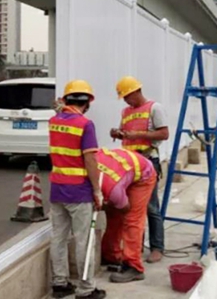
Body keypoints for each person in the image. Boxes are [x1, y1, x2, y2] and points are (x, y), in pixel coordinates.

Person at [49, 80, 106, 299]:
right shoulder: (85, 124)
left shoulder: (54, 121)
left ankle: (59, 284)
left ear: (66, 99)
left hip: (57, 189)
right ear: (88, 102)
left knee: (58, 237)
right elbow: (90, 159)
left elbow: (61, 116)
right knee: (84, 240)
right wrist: (97, 190)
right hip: (79, 191)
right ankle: (86, 289)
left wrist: (60, 107)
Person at [110, 76, 169, 264]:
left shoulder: (154, 108)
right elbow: (125, 133)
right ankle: (135, 246)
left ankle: (157, 247)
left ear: (137, 92)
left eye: (128, 96)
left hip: (147, 161)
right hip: (129, 164)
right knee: (133, 209)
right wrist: (117, 133)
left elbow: (164, 133)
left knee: (151, 207)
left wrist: (139, 134)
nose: (127, 100)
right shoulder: (125, 111)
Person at [91, 148, 156, 283]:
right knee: (113, 215)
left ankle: (134, 267)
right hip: (125, 170)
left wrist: (103, 205)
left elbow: (124, 208)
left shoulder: (112, 189)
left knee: (131, 219)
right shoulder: (88, 164)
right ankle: (110, 255)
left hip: (144, 175)